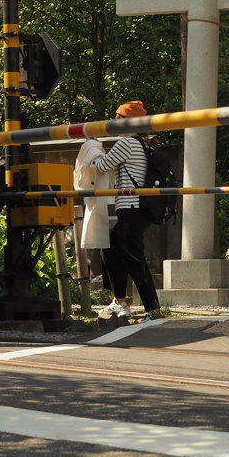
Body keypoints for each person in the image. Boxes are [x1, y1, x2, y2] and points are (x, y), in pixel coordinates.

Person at [92, 101, 162, 321]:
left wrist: (91, 151)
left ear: (126, 121)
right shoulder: (142, 144)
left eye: (117, 117)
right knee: (111, 248)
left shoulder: (126, 143)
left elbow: (101, 166)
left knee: (134, 258)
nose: (114, 120)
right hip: (138, 208)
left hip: (130, 208)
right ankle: (119, 299)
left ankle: (152, 308)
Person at [73, 134, 113, 287]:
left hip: (94, 195)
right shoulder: (94, 149)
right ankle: (108, 288)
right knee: (105, 243)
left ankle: (107, 287)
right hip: (98, 195)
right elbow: (101, 165)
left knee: (102, 242)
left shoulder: (89, 149)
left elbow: (83, 170)